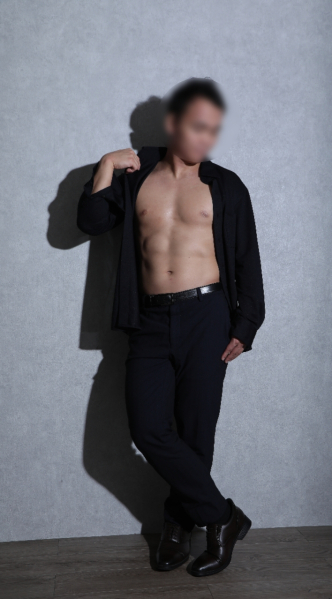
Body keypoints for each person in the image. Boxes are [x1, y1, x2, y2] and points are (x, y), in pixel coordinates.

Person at [77, 77, 265, 577]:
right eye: (199, 126)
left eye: (214, 129)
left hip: (209, 316)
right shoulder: (134, 175)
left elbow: (247, 260)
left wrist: (246, 325)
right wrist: (106, 165)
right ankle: (223, 517)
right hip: (150, 320)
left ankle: (178, 528)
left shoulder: (226, 185)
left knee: (196, 433)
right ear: (173, 123)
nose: (207, 138)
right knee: (149, 428)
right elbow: (91, 222)